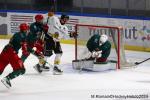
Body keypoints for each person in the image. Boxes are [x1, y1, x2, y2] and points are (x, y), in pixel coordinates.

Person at [0, 23, 29, 88]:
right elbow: (24, 48)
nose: (27, 31)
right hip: (11, 52)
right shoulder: (23, 36)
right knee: (21, 69)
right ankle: (7, 78)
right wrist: (27, 51)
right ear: (25, 30)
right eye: (27, 29)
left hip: (5, 51)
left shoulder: (17, 34)